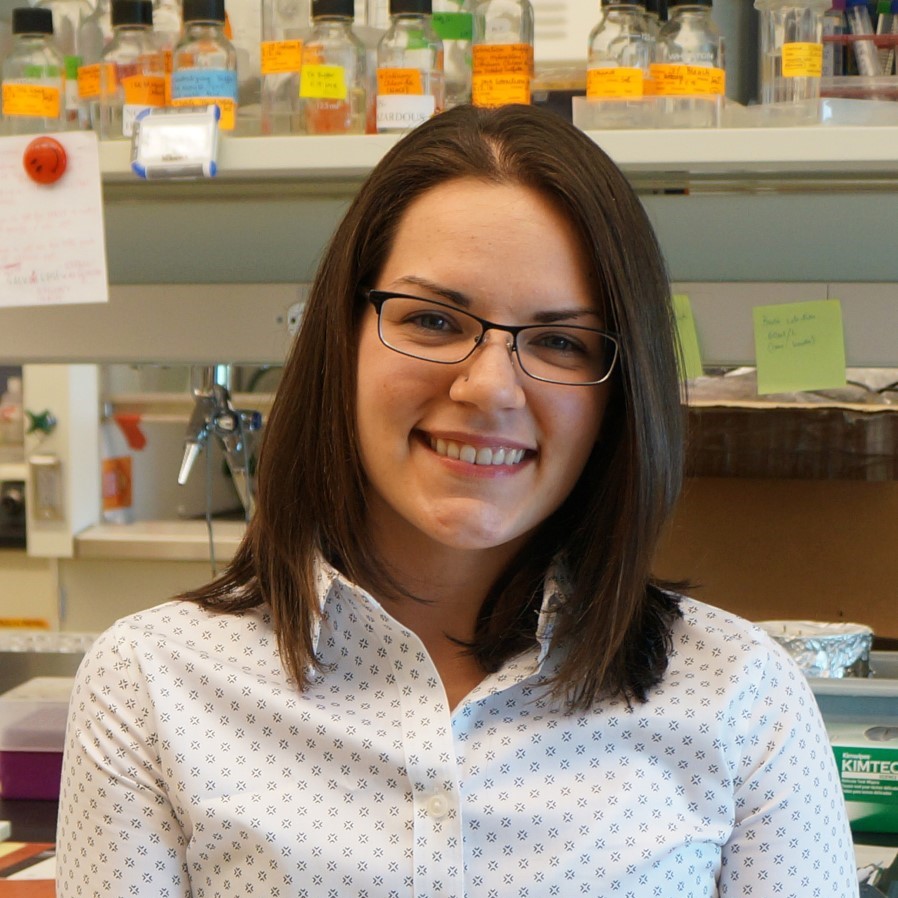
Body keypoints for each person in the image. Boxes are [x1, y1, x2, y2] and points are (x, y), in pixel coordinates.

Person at [56, 104, 857, 897]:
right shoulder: (153, 686)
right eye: (434, 320)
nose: (488, 389)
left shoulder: (741, 701)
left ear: (620, 394)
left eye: (559, 342)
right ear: (341, 341)